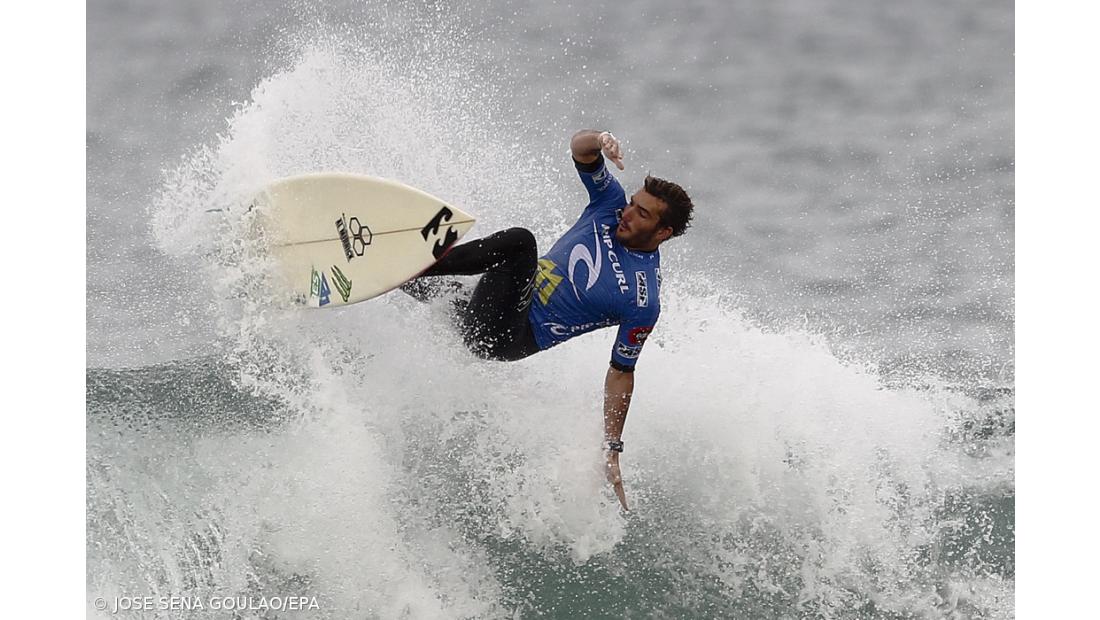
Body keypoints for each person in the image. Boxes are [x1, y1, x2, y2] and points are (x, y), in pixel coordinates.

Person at [404, 129, 694, 511]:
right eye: (632, 204)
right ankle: (380, 274)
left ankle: (412, 263)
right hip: (491, 308)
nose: (627, 214)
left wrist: (612, 448)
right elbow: (582, 151)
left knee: (520, 244)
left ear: (663, 231)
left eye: (641, 214)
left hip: (508, 336)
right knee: (438, 288)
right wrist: (600, 138)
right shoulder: (609, 204)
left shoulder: (643, 299)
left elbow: (622, 371)